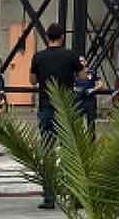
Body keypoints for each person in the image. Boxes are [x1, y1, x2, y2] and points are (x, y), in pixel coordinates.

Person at [30, 23, 82, 211]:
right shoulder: (70, 56)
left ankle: (49, 197)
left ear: (47, 37)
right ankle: (75, 197)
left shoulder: (38, 57)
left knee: (48, 152)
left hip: (46, 108)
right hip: (66, 111)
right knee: (71, 153)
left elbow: (32, 80)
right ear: (62, 37)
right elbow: (83, 75)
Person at [74, 58, 102, 140]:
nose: (81, 63)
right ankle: (79, 140)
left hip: (90, 100)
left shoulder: (92, 72)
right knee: (77, 122)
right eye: (79, 61)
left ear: (86, 62)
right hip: (78, 100)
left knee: (91, 122)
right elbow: (68, 85)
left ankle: (91, 141)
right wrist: (76, 89)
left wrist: (93, 89)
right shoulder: (74, 73)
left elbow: (100, 84)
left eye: (82, 61)